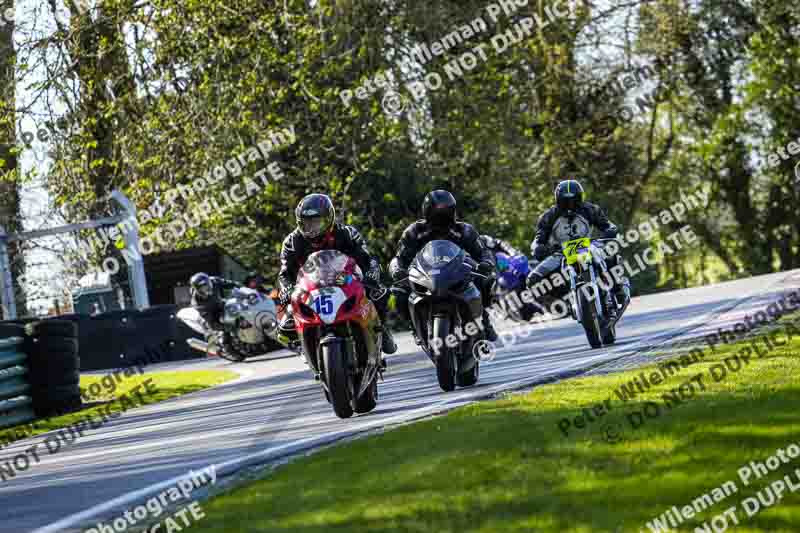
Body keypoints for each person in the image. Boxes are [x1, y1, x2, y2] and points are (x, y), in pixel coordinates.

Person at [276, 193, 397, 361]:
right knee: (284, 327)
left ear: (328, 218)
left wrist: (370, 279)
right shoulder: (292, 242)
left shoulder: (347, 234)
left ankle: (381, 330)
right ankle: (306, 346)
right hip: (310, 289)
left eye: (316, 221)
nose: (311, 228)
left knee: (380, 293)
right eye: (306, 222)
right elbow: (285, 273)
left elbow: (368, 261)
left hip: (345, 281)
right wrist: (287, 289)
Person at [389, 190, 499, 342]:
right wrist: (397, 271)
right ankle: (415, 326)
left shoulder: (464, 230)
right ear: (427, 212)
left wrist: (486, 263)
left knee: (486, 280)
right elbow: (399, 257)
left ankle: (484, 320)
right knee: (399, 291)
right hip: (425, 275)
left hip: (457, 272)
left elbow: (483, 251)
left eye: (446, 212)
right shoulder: (414, 232)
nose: (441, 217)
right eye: (437, 212)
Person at [526, 179, 630, 318]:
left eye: (575, 201)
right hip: (561, 253)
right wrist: (538, 248)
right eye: (565, 202)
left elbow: (608, 225)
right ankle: (562, 304)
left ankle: (618, 289)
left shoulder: (591, 209)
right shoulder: (548, 216)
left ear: (581, 198)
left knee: (611, 256)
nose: (570, 206)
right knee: (533, 279)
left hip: (589, 245)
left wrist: (610, 232)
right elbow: (538, 239)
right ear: (558, 201)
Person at [189, 272, 239, 348]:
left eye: (206, 284)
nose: (206, 288)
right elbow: (209, 319)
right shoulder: (197, 302)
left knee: (236, 308)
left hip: (220, 303)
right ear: (197, 289)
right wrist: (226, 327)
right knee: (215, 326)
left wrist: (238, 285)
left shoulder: (214, 280)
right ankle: (224, 343)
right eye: (202, 287)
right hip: (211, 312)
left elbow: (228, 283)